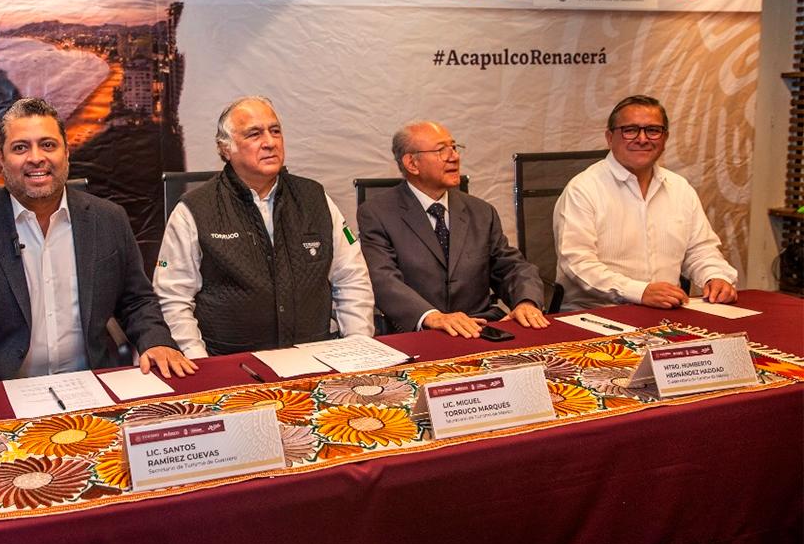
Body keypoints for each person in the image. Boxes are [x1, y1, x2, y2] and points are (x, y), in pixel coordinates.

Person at [0, 98, 195, 422]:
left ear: (66, 153)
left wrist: (156, 341)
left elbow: (137, 300)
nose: (36, 158)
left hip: (93, 389)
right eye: (21, 147)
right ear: (1, 160)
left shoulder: (108, 219)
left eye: (48, 145)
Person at [153, 96, 374, 357]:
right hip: (232, 363)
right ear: (225, 148)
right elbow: (173, 297)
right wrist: (200, 364)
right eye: (254, 134)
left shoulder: (315, 198)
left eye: (275, 131)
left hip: (316, 357)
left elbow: (351, 278)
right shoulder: (194, 210)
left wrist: (359, 347)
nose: (270, 142)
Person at [358, 120, 547, 338]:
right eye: (441, 150)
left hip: (480, 327)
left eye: (454, 147)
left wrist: (526, 301)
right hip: (419, 333)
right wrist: (431, 316)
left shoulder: (481, 211)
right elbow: (382, 279)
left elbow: (511, 267)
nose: (454, 157)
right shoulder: (377, 213)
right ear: (412, 163)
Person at [553, 95, 738, 310]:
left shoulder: (680, 188)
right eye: (630, 130)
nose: (642, 139)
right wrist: (639, 292)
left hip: (668, 312)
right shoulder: (583, 189)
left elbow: (700, 250)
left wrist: (715, 277)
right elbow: (577, 264)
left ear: (665, 138)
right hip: (597, 314)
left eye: (653, 130)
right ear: (609, 137)